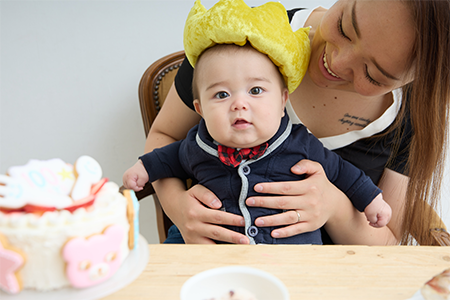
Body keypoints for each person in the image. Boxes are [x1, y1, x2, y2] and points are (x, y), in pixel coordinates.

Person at [135, 0, 450, 245]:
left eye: (372, 74)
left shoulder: (411, 115)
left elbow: (388, 241)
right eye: (345, 26)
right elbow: (165, 136)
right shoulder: (239, 38)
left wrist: (334, 206)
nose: (336, 63)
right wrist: (177, 205)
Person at [123, 41, 392, 244]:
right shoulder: (195, 145)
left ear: (283, 101)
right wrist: (141, 170)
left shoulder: (301, 143)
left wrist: (372, 201)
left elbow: (344, 174)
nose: (239, 104)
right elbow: (163, 159)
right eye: (221, 94)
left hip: (292, 257)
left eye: (255, 91)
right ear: (200, 109)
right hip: (210, 251)